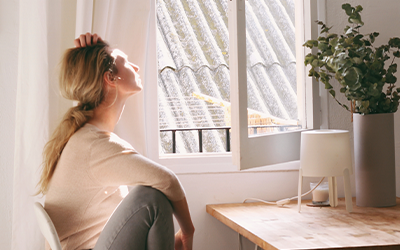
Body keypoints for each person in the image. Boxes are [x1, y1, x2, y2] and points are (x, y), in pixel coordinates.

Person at [37, 33, 194, 250]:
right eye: (126, 62)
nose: (136, 67)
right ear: (110, 78)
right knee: (151, 196)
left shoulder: (89, 138)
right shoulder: (93, 145)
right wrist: (188, 231)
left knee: (151, 196)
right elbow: (167, 180)